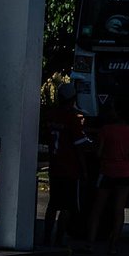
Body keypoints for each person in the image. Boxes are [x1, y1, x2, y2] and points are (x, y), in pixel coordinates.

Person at [85, 98, 129, 255]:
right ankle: (113, 245)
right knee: (118, 209)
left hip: (107, 172)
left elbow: (98, 153)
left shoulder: (106, 130)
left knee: (97, 209)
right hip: (125, 173)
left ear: (117, 112)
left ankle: (90, 243)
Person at [41, 82, 89, 247]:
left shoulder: (50, 116)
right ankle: (59, 239)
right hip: (70, 168)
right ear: (72, 98)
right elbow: (79, 147)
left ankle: (47, 236)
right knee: (67, 206)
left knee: (53, 204)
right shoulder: (72, 119)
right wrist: (84, 170)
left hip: (55, 166)